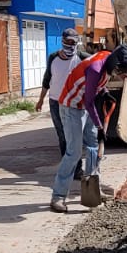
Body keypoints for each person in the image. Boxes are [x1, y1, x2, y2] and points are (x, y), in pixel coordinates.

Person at [50, 44, 127, 213]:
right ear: (116, 65)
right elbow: (89, 102)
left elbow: (93, 87)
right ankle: (58, 197)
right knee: (73, 152)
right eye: (122, 72)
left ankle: (93, 190)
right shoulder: (96, 68)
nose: (124, 77)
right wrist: (99, 125)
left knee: (94, 148)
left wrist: (103, 92)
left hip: (84, 105)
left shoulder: (107, 59)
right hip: (71, 106)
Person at [35, 30, 81, 160]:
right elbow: (46, 80)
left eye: (73, 42)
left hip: (73, 103)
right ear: (62, 41)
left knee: (73, 136)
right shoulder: (53, 58)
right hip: (55, 102)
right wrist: (40, 100)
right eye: (68, 41)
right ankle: (66, 165)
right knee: (62, 135)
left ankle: (76, 168)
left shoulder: (82, 58)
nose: (70, 44)